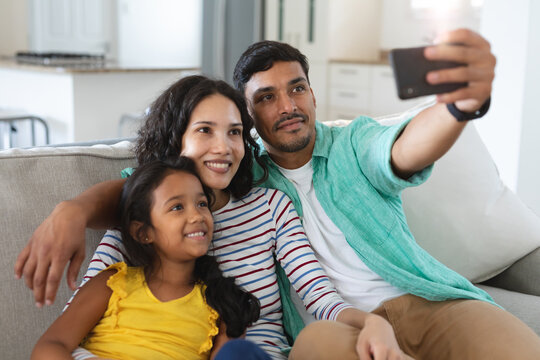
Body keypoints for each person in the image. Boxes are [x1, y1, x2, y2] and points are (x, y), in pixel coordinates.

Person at [16, 28, 540, 359]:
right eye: (266, 98)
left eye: (296, 88)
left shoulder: (329, 159)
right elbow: (143, 196)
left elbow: (404, 149)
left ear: (313, 93)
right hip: (325, 339)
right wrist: (74, 208)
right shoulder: (175, 201)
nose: (287, 105)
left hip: (417, 306)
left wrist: (458, 107)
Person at [34, 74, 410, 360]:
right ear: (174, 140)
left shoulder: (270, 208)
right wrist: (75, 209)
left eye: (234, 132)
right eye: (204, 131)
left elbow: (318, 295)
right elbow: (69, 334)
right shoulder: (135, 226)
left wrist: (369, 320)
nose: (223, 147)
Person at [31, 157, 264, 360]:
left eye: (202, 204)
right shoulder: (112, 283)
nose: (197, 215)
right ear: (144, 232)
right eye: (177, 207)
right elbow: (49, 347)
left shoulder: (224, 304)